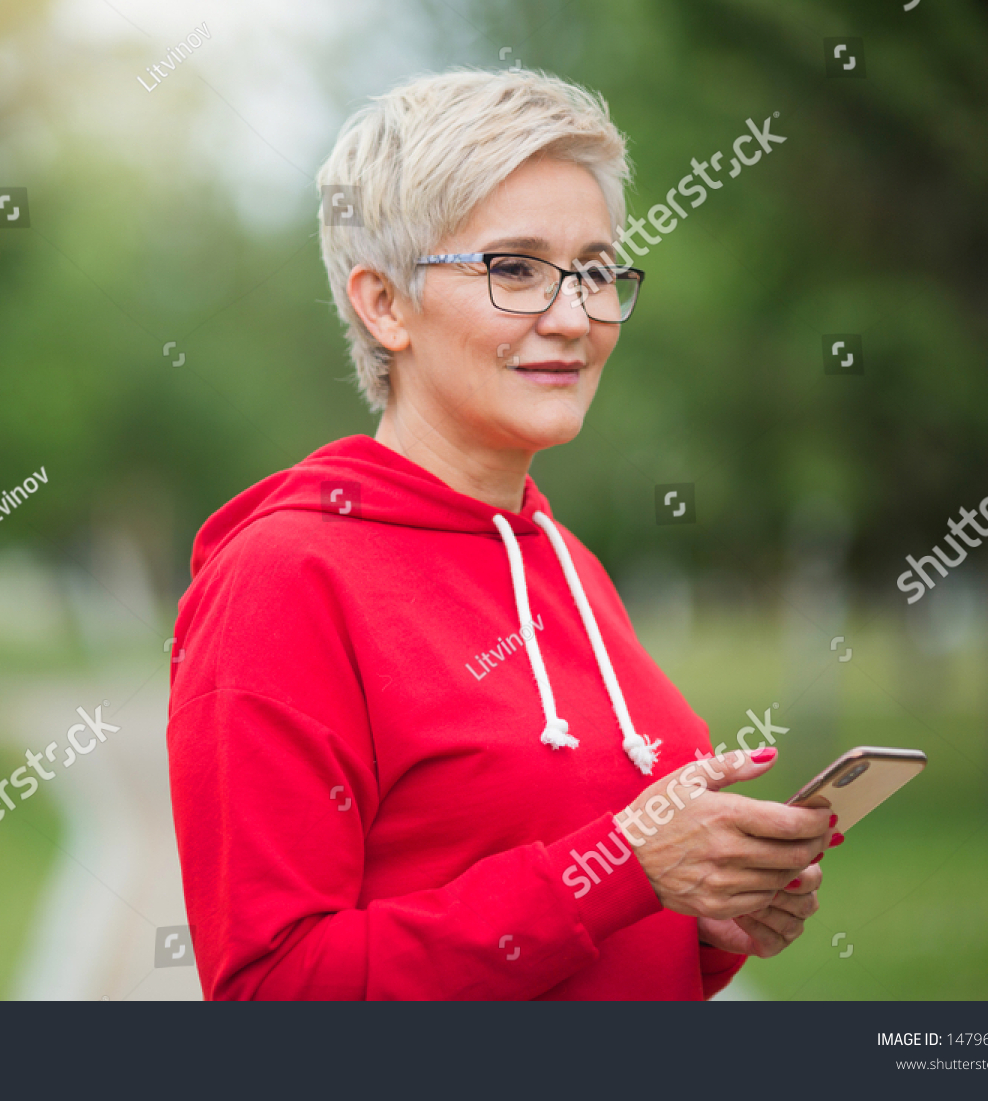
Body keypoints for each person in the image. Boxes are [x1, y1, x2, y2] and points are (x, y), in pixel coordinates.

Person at [165, 68, 834, 1000]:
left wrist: (703, 922)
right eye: (513, 268)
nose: (572, 318)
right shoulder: (284, 578)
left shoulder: (569, 565)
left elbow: (590, 943)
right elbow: (275, 991)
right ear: (383, 303)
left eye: (596, 270)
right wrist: (620, 869)